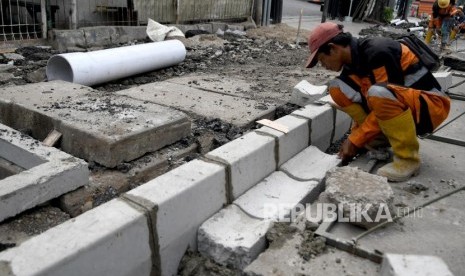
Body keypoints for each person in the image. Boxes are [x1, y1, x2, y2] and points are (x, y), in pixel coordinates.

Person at [306, 22, 450, 182]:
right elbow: (369, 103)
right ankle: (379, 140)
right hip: (405, 107)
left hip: (430, 108)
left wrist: (356, 140)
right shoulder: (352, 64)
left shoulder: (378, 51)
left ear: (333, 48)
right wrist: (357, 135)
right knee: (337, 88)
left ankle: (408, 159)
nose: (323, 66)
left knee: (378, 93)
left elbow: (385, 98)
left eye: (322, 59)